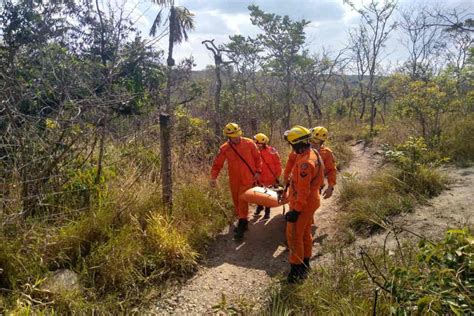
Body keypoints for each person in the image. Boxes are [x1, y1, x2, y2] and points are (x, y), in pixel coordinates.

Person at [283, 125, 324, 283]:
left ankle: (296, 269)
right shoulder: (313, 152)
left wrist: (296, 210)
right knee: (305, 233)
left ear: (297, 144)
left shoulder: (305, 163)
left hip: (303, 204)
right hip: (310, 201)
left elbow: (303, 189)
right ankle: (306, 262)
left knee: (294, 236)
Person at [210, 123, 262, 240]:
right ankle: (243, 219)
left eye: (238, 135)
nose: (237, 138)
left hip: (248, 178)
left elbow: (258, 158)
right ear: (228, 137)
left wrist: (258, 171)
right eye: (234, 137)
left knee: (242, 199)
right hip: (234, 179)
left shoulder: (249, 143)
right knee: (236, 200)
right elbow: (217, 164)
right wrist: (213, 177)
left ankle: (242, 225)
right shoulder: (225, 148)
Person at [283, 126, 337, 199]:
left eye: (318, 141)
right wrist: (286, 179)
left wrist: (330, 187)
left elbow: (331, 170)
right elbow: (289, 164)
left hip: (313, 187)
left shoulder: (326, 153)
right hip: (297, 185)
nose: (314, 143)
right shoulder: (299, 150)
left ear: (322, 142)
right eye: (313, 140)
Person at [253, 133, 282, 219]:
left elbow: (278, 164)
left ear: (262, 143)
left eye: (257, 142)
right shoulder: (253, 151)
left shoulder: (271, 150)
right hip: (259, 178)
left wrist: (277, 176)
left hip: (270, 178)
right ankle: (259, 206)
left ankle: (267, 211)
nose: (256, 144)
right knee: (258, 193)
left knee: (267, 194)